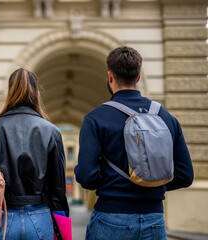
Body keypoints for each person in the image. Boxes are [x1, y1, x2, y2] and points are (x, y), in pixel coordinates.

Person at [75, 46, 194, 240]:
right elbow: (185, 175)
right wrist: (152, 183)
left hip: (111, 217)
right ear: (138, 77)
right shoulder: (166, 118)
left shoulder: (96, 118)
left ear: (110, 76)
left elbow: (87, 177)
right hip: (154, 219)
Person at [0, 68, 69, 239]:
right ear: (36, 93)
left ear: (10, 92)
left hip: (1, 218)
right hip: (40, 218)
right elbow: (58, 189)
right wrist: (63, 230)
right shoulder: (52, 132)